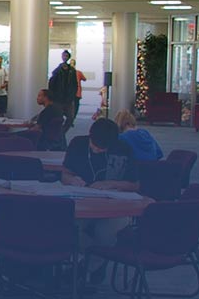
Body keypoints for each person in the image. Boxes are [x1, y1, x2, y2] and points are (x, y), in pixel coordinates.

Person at [62, 119, 137, 283]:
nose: (97, 149)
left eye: (102, 148)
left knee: (108, 233)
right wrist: (71, 179)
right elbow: (65, 173)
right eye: (94, 145)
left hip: (114, 208)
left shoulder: (124, 149)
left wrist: (112, 184)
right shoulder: (78, 144)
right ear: (90, 136)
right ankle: (93, 262)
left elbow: (135, 184)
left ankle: (87, 268)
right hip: (80, 204)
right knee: (68, 227)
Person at [48, 50, 80, 130]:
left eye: (66, 56)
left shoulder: (72, 71)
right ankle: (58, 132)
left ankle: (63, 131)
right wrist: (53, 96)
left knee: (70, 118)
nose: (65, 57)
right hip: (59, 98)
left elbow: (74, 84)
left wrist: (72, 95)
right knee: (58, 117)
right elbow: (52, 83)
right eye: (64, 56)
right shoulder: (58, 70)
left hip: (69, 98)